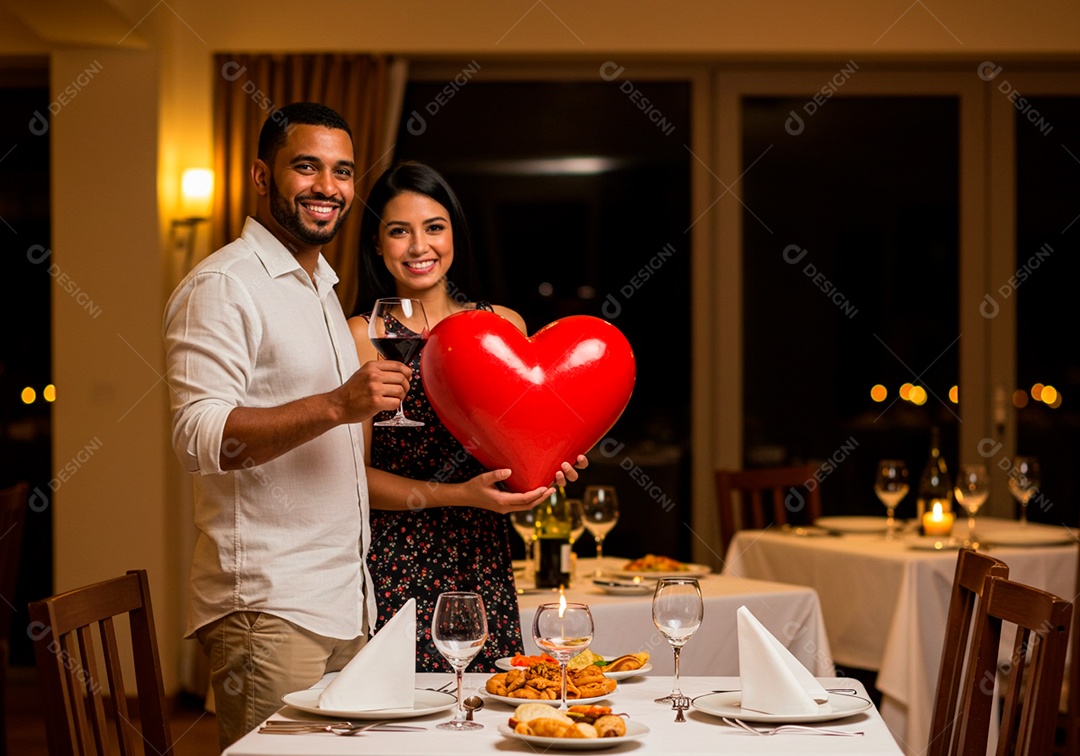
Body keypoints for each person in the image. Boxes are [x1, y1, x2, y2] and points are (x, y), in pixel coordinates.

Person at [163, 102, 412, 750]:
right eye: (307, 167)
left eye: (342, 171)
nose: (328, 187)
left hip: (344, 602)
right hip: (269, 610)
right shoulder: (223, 284)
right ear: (261, 176)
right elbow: (198, 436)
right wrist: (336, 405)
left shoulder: (321, 288)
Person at [347, 161, 587, 672]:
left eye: (434, 227)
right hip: (396, 560)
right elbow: (351, 480)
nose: (419, 247)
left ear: (454, 233)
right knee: (407, 727)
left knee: (488, 719)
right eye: (399, 231)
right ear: (376, 243)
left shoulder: (503, 326)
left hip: (483, 554)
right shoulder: (358, 336)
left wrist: (550, 463)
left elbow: (523, 443)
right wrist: (458, 495)